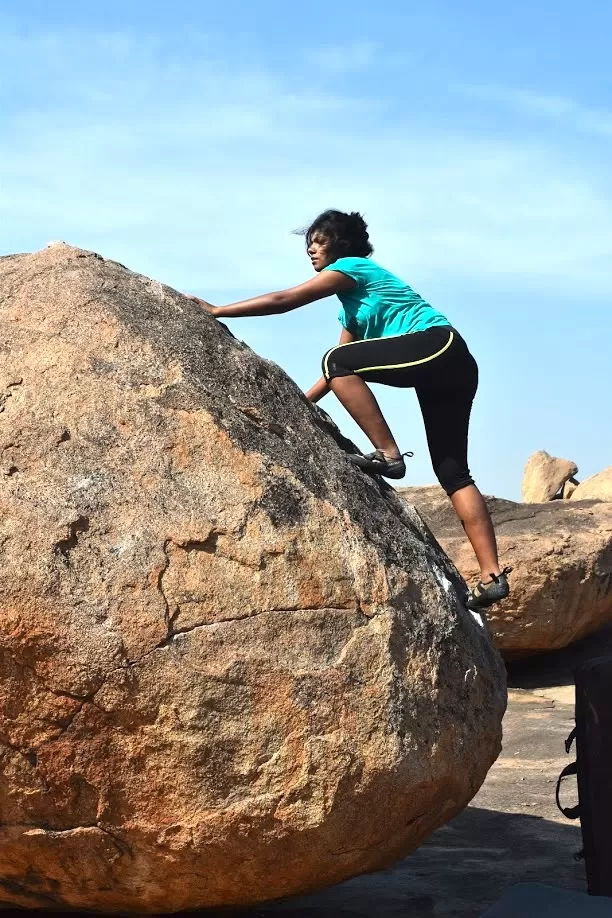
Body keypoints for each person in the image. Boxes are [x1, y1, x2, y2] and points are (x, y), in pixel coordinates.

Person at [186, 209, 510, 611]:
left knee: (337, 360)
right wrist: (298, 406)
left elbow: (286, 301)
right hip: (451, 367)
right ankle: (491, 577)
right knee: (453, 473)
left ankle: (389, 454)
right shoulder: (351, 309)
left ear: (341, 244)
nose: (311, 249)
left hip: (436, 343)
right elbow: (338, 367)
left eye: (318, 241)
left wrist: (218, 310)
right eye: (308, 244)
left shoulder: (354, 267)